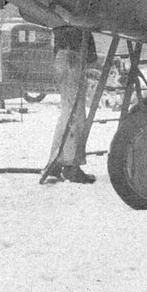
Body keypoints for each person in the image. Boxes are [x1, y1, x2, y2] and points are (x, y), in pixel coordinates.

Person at [43, 26, 99, 184]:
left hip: (66, 56)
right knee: (74, 115)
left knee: (69, 114)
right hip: (71, 58)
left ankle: (58, 163)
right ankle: (69, 166)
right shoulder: (75, 16)